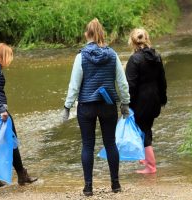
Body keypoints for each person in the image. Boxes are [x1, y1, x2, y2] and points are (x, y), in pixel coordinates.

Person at [62, 18, 130, 196]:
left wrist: (67, 106)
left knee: (87, 146)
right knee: (110, 144)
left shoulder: (81, 56)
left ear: (87, 34)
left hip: (86, 106)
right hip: (108, 106)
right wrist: (125, 103)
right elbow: (122, 83)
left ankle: (88, 187)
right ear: (102, 34)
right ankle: (115, 184)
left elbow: (74, 85)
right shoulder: (113, 54)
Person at [0, 43, 37, 189]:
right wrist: (1, 110)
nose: (9, 61)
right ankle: (22, 175)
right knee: (11, 141)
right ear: (3, 55)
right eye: (9, 56)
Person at [126, 28, 167, 174]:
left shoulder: (134, 59)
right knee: (146, 128)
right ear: (147, 39)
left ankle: (150, 166)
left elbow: (130, 86)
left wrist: (126, 104)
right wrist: (163, 98)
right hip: (155, 99)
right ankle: (145, 158)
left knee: (143, 130)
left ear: (132, 41)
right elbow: (162, 80)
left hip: (140, 102)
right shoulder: (157, 56)